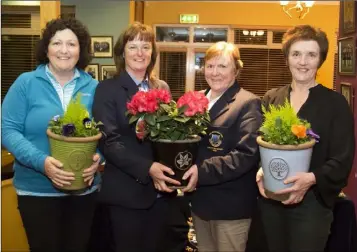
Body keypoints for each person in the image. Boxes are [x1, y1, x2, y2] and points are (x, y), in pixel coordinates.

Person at [92, 22, 196, 252]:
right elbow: (108, 141)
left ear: (152, 52)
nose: (140, 53)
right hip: (126, 195)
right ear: (122, 52)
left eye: (146, 47)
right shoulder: (107, 89)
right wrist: (148, 168)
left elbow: (169, 136)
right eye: (133, 46)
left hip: (161, 195)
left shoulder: (162, 88)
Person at [1, 18, 100, 252]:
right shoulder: (25, 83)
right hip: (36, 192)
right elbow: (6, 129)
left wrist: (100, 160)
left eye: (71, 44)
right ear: (46, 48)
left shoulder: (95, 87)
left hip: (84, 193)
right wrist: (42, 162)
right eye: (57, 43)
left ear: (81, 50)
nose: (64, 50)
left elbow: (106, 133)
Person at [256, 24, 355, 252]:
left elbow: (343, 158)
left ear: (320, 60)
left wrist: (310, 179)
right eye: (296, 54)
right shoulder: (272, 98)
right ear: (287, 58)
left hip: (312, 205)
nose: (303, 62)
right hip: (272, 201)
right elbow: (260, 145)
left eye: (311, 55)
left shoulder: (336, 104)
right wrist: (262, 169)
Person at [188, 41, 263, 252]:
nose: (215, 72)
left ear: (236, 70)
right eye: (210, 66)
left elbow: (245, 155)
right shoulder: (198, 100)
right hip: (200, 204)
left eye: (222, 66)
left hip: (230, 208)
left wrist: (199, 172)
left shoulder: (248, 103)